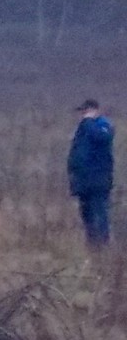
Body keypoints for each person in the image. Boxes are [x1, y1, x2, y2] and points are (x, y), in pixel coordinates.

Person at [70, 99, 115, 247]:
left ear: (95, 110)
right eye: (83, 112)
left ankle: (104, 244)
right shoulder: (82, 129)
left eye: (86, 111)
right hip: (83, 180)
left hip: (99, 179)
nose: (84, 115)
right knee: (86, 213)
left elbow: (103, 137)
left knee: (99, 212)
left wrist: (89, 122)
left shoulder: (103, 125)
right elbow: (76, 154)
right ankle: (92, 245)